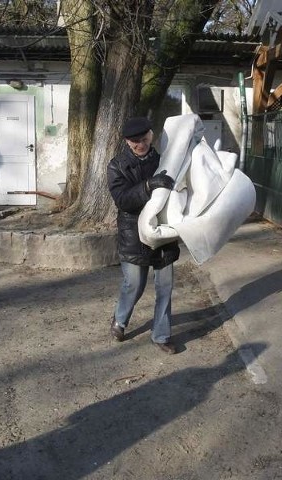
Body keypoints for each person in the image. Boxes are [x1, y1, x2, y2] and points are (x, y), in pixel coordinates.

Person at [106, 116, 180, 354]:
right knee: (134, 284)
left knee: (165, 286)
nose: (141, 144)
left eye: (144, 138)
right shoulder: (117, 166)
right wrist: (148, 186)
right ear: (127, 141)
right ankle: (120, 320)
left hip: (163, 232)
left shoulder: (166, 160)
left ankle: (161, 335)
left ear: (152, 134)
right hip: (133, 234)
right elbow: (123, 200)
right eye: (135, 141)